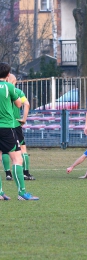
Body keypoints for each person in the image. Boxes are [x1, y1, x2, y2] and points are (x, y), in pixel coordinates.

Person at [0, 62, 38, 200]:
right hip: (7, 127)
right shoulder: (9, 87)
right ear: (8, 74)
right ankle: (22, 193)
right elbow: (19, 104)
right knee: (17, 159)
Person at [1, 74, 35, 181]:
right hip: (14, 124)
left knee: (4, 150)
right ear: (13, 81)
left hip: (4, 125)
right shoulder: (18, 92)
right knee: (22, 149)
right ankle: (26, 173)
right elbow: (27, 104)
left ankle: (8, 173)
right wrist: (24, 119)